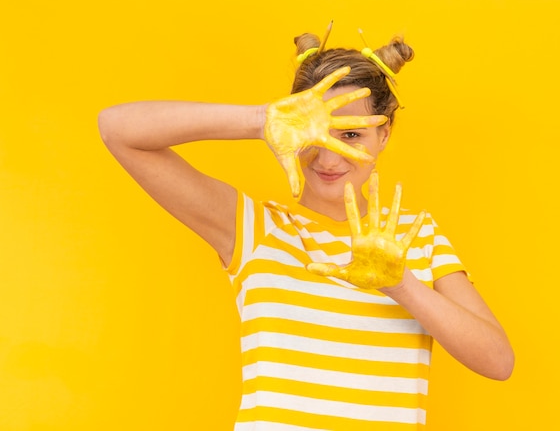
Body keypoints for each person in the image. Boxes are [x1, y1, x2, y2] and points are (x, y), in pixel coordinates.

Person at [98, 25, 514, 430]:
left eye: (350, 135)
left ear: (383, 135)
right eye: (312, 134)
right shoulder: (254, 229)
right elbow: (117, 128)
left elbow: (498, 361)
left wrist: (401, 284)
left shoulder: (414, 235)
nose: (328, 159)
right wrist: (261, 120)